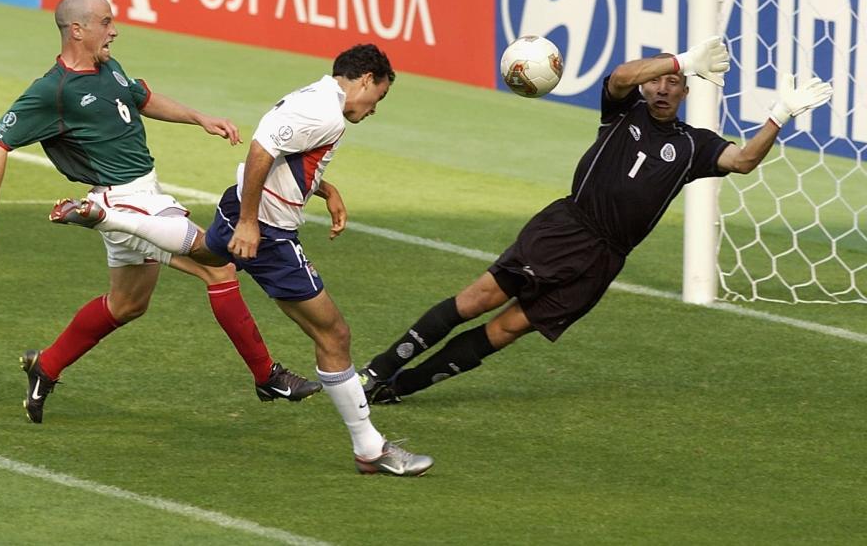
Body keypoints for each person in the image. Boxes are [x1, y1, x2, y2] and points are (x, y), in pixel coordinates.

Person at [355, 37, 833, 404]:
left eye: (673, 84)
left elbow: (745, 160)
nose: (663, 88)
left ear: (687, 92)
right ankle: (378, 369)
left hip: (605, 259)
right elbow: (622, 75)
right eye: (658, 80)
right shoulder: (623, 109)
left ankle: (400, 388)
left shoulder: (694, 145)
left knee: (508, 330)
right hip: (566, 228)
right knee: (478, 299)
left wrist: (779, 115)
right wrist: (679, 59)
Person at [48, 44, 434, 476]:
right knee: (333, 334)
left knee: (207, 253)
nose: (374, 108)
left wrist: (326, 190)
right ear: (366, 78)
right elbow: (261, 150)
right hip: (268, 230)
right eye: (378, 97)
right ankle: (370, 449)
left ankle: (108, 216)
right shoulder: (323, 111)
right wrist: (251, 222)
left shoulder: (316, 98)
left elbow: (287, 156)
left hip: (244, 209)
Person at [0, 0, 320, 424]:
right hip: (125, 199)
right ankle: (267, 375)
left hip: (143, 195)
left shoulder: (107, 66)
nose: (114, 30)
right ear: (78, 30)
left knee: (127, 304)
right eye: (106, 22)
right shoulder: (52, 91)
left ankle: (47, 366)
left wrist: (199, 118)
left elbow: (140, 97)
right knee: (218, 266)